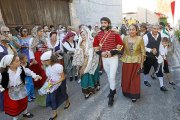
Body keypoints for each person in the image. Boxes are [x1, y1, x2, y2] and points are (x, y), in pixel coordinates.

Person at [93, 17, 123, 107]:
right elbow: (95, 47)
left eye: (105, 22)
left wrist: (111, 52)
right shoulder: (98, 35)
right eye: (102, 22)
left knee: (112, 77)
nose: (103, 24)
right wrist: (101, 53)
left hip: (113, 58)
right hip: (104, 59)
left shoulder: (114, 34)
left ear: (108, 23)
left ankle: (111, 95)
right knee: (109, 76)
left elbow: (121, 45)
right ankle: (113, 90)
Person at [0, 54, 41, 120]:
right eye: (17, 61)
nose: (20, 62)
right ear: (10, 64)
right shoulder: (4, 73)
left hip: (21, 88)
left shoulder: (21, 68)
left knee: (23, 101)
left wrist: (35, 76)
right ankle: (15, 117)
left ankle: (25, 112)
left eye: (19, 60)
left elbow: (28, 72)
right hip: (11, 91)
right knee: (14, 105)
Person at [40, 51, 70, 120]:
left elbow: (63, 77)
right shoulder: (47, 66)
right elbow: (49, 76)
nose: (43, 63)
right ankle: (54, 113)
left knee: (63, 93)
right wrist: (46, 83)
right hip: (52, 83)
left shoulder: (58, 66)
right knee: (52, 98)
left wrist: (55, 83)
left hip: (60, 82)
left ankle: (67, 102)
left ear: (49, 60)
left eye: (44, 61)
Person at [73, 26, 100, 99]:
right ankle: (86, 92)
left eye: (84, 35)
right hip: (83, 63)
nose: (83, 36)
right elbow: (77, 53)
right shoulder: (80, 43)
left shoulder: (91, 42)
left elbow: (95, 52)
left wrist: (90, 56)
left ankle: (93, 88)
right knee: (84, 76)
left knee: (91, 75)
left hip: (91, 62)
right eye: (81, 35)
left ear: (87, 34)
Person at [121, 24, 146, 102]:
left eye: (133, 29)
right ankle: (126, 92)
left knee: (135, 78)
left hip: (136, 61)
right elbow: (121, 48)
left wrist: (141, 64)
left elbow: (143, 51)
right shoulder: (125, 38)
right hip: (126, 60)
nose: (131, 31)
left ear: (136, 30)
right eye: (130, 29)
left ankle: (134, 94)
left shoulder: (140, 39)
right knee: (126, 77)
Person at [143, 24, 168, 91]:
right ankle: (145, 81)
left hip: (157, 57)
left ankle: (162, 86)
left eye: (157, 28)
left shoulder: (159, 35)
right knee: (146, 70)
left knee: (159, 71)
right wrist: (150, 50)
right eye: (154, 28)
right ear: (151, 29)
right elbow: (143, 47)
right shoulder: (146, 36)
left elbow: (159, 44)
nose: (155, 30)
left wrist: (162, 53)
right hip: (148, 57)